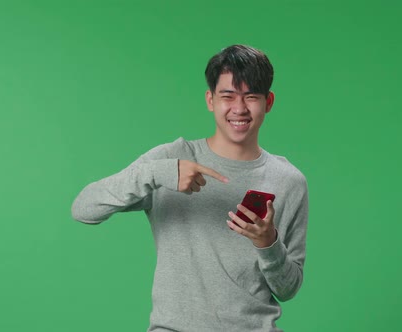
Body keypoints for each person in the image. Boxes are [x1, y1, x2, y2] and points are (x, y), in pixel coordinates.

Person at [71, 44, 309, 332]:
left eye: (251, 97)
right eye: (227, 96)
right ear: (210, 99)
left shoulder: (288, 180)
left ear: (268, 102)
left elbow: (289, 288)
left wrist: (268, 242)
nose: (239, 108)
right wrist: (161, 172)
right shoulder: (172, 158)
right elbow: (84, 208)